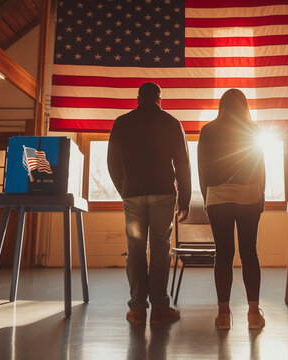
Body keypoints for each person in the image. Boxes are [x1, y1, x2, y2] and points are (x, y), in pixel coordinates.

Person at [107, 82, 191, 325]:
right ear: (159, 100)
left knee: (135, 248)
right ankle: (160, 307)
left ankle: (137, 309)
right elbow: (183, 164)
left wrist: (124, 190)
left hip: (133, 194)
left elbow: (112, 161)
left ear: (138, 99)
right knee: (160, 248)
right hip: (163, 194)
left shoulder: (122, 122)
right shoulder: (171, 122)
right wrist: (184, 200)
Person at [197, 89, 266, 330]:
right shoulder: (253, 130)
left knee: (223, 254)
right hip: (249, 194)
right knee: (249, 253)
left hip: (217, 196)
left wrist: (207, 197)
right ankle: (254, 313)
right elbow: (260, 166)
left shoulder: (208, 130)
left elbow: (202, 169)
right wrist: (262, 196)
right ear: (244, 106)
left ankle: (224, 314)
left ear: (221, 106)